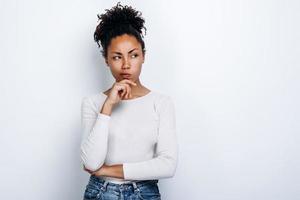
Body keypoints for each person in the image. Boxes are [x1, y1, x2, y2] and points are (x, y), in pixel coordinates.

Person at [80, 2, 178, 200]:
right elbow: (91, 163)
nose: (126, 65)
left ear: (143, 56)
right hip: (101, 193)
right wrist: (107, 106)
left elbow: (168, 165)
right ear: (106, 60)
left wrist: (107, 170)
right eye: (117, 57)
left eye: (133, 55)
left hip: (145, 193)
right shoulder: (93, 103)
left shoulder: (161, 103)